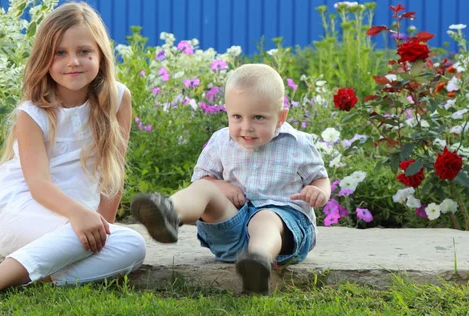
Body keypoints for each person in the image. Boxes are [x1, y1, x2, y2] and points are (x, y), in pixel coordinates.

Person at [0, 1, 146, 304]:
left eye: (84, 51)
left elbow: (113, 174)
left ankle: (29, 274)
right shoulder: (33, 113)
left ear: (100, 55)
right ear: (45, 57)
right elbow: (38, 184)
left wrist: (102, 227)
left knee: (131, 245)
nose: (73, 62)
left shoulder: (117, 98)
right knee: (85, 239)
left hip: (73, 220)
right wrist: (80, 217)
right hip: (22, 211)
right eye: (60, 53)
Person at [131, 63, 330, 294]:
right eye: (237, 116)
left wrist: (320, 192)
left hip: (283, 229)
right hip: (231, 227)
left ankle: (258, 263)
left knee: (264, 219)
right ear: (227, 111)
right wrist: (220, 186)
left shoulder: (298, 144)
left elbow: (320, 179)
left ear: (280, 117)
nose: (246, 127)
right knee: (204, 188)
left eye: (258, 117)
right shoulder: (220, 141)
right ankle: (169, 213)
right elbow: (202, 179)